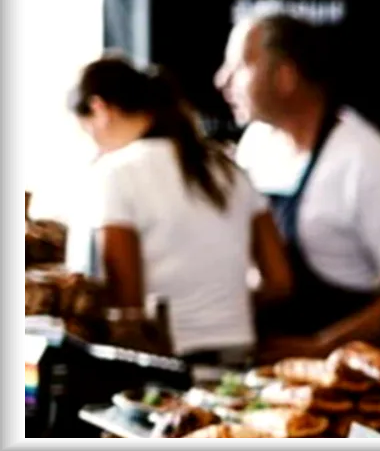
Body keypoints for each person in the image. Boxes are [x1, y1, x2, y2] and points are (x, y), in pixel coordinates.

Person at [214, 13, 380, 362]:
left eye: (240, 66)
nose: (222, 80)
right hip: (270, 369)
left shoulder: (366, 161)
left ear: (285, 76)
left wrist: (325, 346)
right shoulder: (256, 143)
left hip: (353, 377)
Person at [67, 56, 293, 364]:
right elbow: (280, 281)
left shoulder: (116, 173)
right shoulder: (228, 168)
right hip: (239, 355)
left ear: (100, 110)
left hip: (166, 363)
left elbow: (127, 305)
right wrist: (221, 309)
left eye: (86, 130)